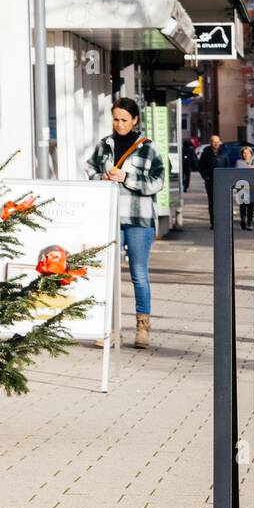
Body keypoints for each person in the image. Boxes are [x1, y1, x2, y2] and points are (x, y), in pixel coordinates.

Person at [85, 96, 166, 349]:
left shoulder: (149, 148)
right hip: (110, 217)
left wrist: (127, 178)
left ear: (135, 120)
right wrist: (103, 177)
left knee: (138, 274)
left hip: (138, 218)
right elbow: (89, 170)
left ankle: (143, 326)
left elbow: (158, 182)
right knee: (109, 273)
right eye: (116, 119)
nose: (119, 124)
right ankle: (110, 328)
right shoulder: (104, 145)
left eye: (124, 120)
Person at [197, 134, 230, 228]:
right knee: (212, 203)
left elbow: (228, 167)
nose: (215, 143)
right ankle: (213, 223)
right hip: (210, 182)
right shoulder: (206, 153)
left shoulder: (224, 152)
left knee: (222, 203)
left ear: (220, 142)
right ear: (210, 142)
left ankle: (222, 221)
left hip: (222, 183)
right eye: (213, 142)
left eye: (217, 142)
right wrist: (206, 177)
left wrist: (227, 179)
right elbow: (201, 167)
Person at [234, 144, 254, 230]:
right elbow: (236, 174)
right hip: (242, 186)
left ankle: (249, 222)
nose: (246, 155)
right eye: (244, 153)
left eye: (247, 153)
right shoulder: (239, 162)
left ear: (251, 153)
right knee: (242, 205)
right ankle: (243, 221)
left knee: (250, 206)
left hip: (252, 186)